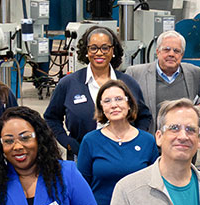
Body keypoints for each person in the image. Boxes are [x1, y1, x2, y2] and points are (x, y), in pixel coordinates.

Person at [45, 26, 152, 157]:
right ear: (86, 51)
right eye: (93, 48)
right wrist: (68, 142)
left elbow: (144, 116)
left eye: (105, 48)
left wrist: (135, 140)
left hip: (125, 154)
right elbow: (51, 118)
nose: (99, 53)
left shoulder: (128, 83)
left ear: (113, 50)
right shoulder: (68, 83)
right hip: (81, 155)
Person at [76, 80, 160, 205]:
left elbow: (154, 186)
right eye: (107, 101)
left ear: (129, 104)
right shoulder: (90, 141)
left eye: (119, 99)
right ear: (101, 108)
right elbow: (81, 190)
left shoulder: (147, 141)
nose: (114, 105)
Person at [124, 31, 200, 126]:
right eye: (166, 49)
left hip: (182, 137)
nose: (171, 54)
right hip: (150, 137)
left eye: (176, 51)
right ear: (158, 52)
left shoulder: (193, 72)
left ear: (182, 55)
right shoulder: (135, 74)